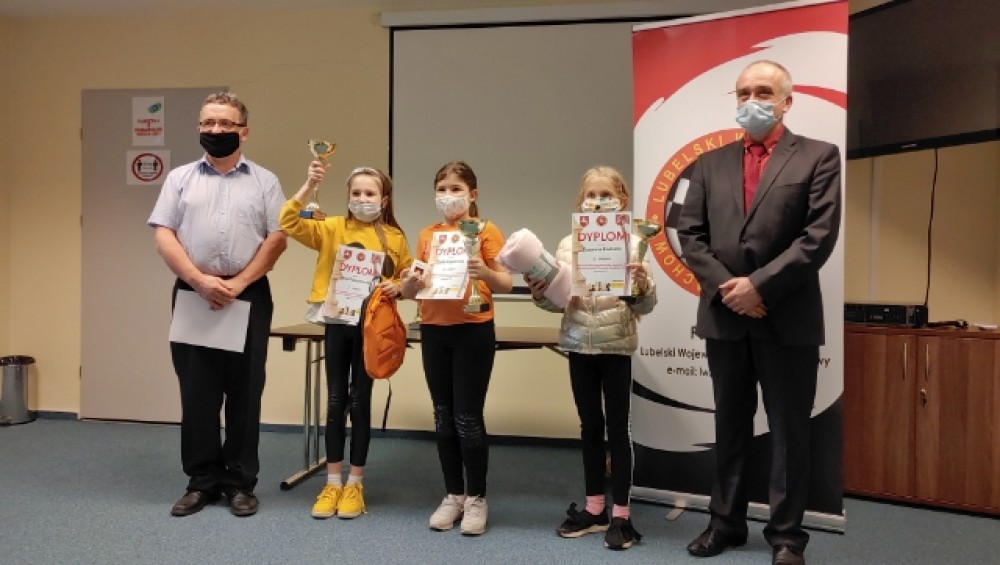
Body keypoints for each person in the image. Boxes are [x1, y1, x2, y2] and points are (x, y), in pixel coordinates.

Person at [676, 60, 842, 565]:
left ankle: (787, 536)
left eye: (764, 92)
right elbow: (690, 235)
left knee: (790, 432)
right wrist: (732, 289)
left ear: (786, 101)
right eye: (744, 92)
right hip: (725, 316)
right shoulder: (709, 163)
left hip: (786, 317)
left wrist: (758, 286)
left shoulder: (818, 156)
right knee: (729, 425)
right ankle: (724, 524)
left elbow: (817, 237)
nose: (752, 100)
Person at [148, 91, 287, 517]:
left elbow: (277, 238)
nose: (216, 130)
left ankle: (240, 483)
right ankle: (202, 481)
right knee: (198, 392)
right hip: (194, 293)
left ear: (244, 131)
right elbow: (164, 235)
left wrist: (239, 283)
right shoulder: (180, 179)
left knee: (245, 391)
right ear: (198, 127)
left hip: (249, 293)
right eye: (209, 122)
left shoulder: (265, 181)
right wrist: (199, 280)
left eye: (226, 123)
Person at [525, 166, 657, 551]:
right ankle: (595, 507)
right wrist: (539, 292)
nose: (597, 202)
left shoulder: (634, 243)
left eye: (606, 195)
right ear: (581, 201)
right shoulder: (568, 244)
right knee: (589, 427)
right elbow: (557, 303)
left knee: (618, 429)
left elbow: (646, 305)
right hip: (578, 344)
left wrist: (642, 284)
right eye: (591, 196)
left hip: (616, 345)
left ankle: (622, 515)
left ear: (622, 200)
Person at [280, 164, 412, 520]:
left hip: (371, 327)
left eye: (370, 194)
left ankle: (355, 483)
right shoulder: (332, 227)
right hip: (338, 321)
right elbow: (288, 222)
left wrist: (399, 286)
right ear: (348, 196)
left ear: (384, 200)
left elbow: (408, 277)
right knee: (336, 399)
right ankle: (333, 482)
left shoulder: (394, 237)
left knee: (360, 400)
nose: (362, 199)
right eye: (356, 193)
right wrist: (308, 184)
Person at [400, 161, 512, 536]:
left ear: (472, 194)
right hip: (434, 331)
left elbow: (505, 283)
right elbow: (412, 290)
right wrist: (410, 282)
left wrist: (486, 273)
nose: (448, 196)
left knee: (468, 417)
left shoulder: (485, 230)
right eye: (442, 189)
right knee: (443, 416)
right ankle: (454, 494)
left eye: (455, 189)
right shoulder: (427, 235)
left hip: (473, 331)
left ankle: (477, 497)